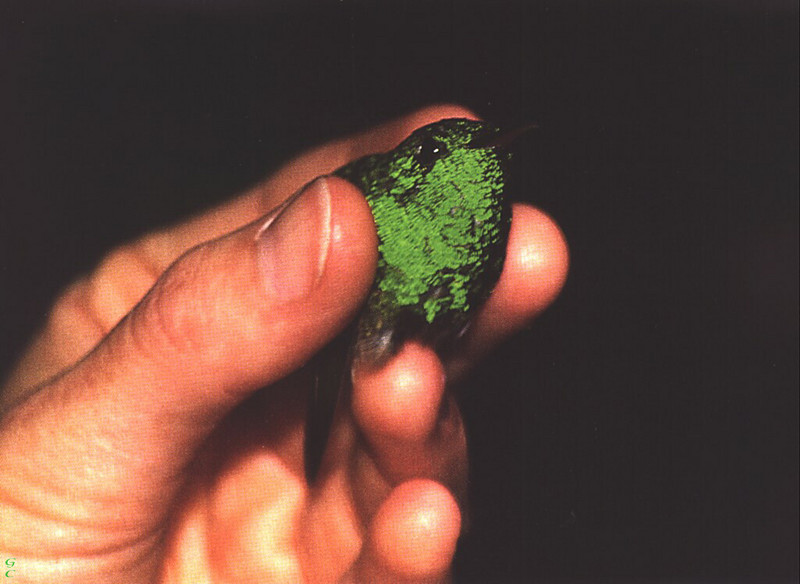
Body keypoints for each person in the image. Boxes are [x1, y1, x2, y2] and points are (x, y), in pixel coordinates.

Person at [0, 105, 568, 583]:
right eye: (441, 158)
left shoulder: (489, 232)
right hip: (349, 322)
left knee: (404, 413)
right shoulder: (383, 199)